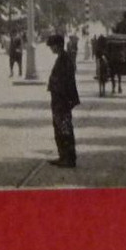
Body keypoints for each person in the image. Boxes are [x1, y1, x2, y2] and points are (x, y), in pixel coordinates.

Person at [45, 34, 79, 167]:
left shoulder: (64, 60)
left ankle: (68, 158)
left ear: (57, 45)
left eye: (52, 46)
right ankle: (64, 156)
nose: (51, 49)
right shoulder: (63, 58)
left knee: (64, 129)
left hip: (62, 100)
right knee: (60, 128)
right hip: (60, 99)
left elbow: (65, 81)